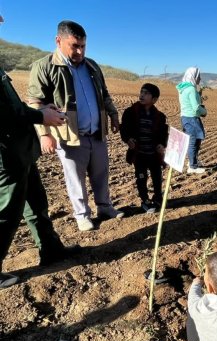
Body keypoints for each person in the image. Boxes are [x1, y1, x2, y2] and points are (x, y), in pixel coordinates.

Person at [28, 20, 123, 232]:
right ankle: (82, 215)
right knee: (75, 178)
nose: (80, 51)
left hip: (97, 132)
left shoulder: (92, 66)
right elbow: (36, 102)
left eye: (83, 46)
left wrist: (114, 115)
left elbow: (104, 94)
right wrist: (44, 134)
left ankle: (105, 207)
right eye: (74, 46)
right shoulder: (45, 66)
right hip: (69, 135)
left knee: (101, 173)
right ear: (58, 41)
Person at [1, 60, 74, 288]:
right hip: (7, 155)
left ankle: (51, 250)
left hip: (21, 150)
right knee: (6, 214)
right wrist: (41, 117)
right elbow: (4, 113)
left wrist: (39, 111)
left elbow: (12, 104)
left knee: (36, 202)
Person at [120, 83, 168, 213]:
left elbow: (164, 133)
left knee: (157, 177)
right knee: (141, 177)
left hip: (154, 155)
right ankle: (145, 200)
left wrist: (162, 144)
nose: (142, 95)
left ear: (154, 99)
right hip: (139, 154)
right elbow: (124, 129)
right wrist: (128, 139)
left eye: (146, 93)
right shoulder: (130, 112)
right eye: (141, 92)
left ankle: (158, 197)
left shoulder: (160, 116)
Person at [176, 67, 207, 174]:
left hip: (185, 117)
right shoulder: (191, 89)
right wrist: (204, 112)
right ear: (194, 76)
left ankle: (192, 162)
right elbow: (196, 107)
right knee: (193, 142)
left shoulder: (184, 88)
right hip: (192, 118)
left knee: (194, 141)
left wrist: (199, 94)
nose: (200, 78)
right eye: (199, 76)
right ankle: (192, 167)